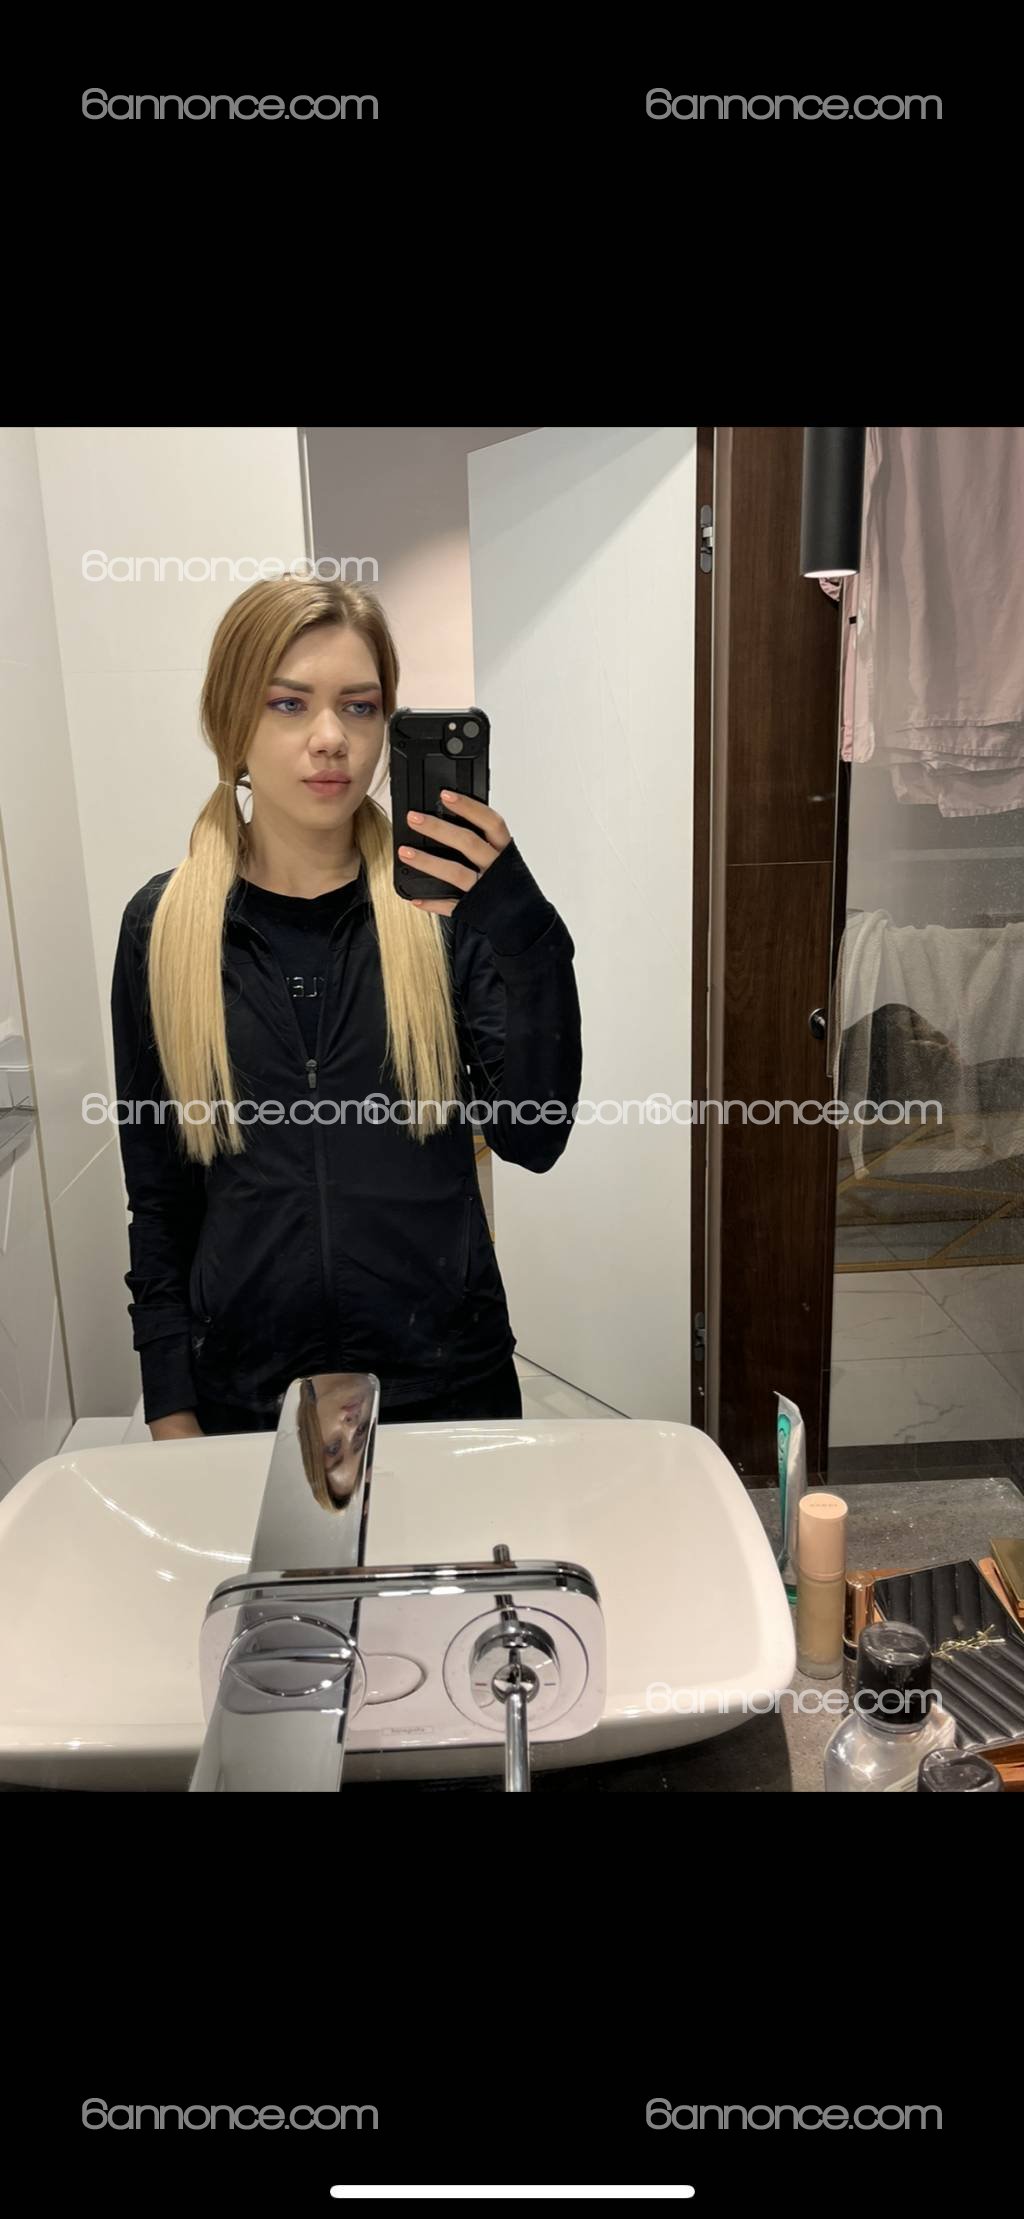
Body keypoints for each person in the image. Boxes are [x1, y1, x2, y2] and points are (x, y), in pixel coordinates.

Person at [110, 575, 582, 1439]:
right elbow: (159, 1199)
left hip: (447, 1389)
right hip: (247, 1403)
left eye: (359, 707)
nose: (331, 738)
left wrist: (528, 937)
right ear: (231, 722)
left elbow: (534, 1134)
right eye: (289, 703)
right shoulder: (162, 927)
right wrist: (170, 1406)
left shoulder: (443, 911)